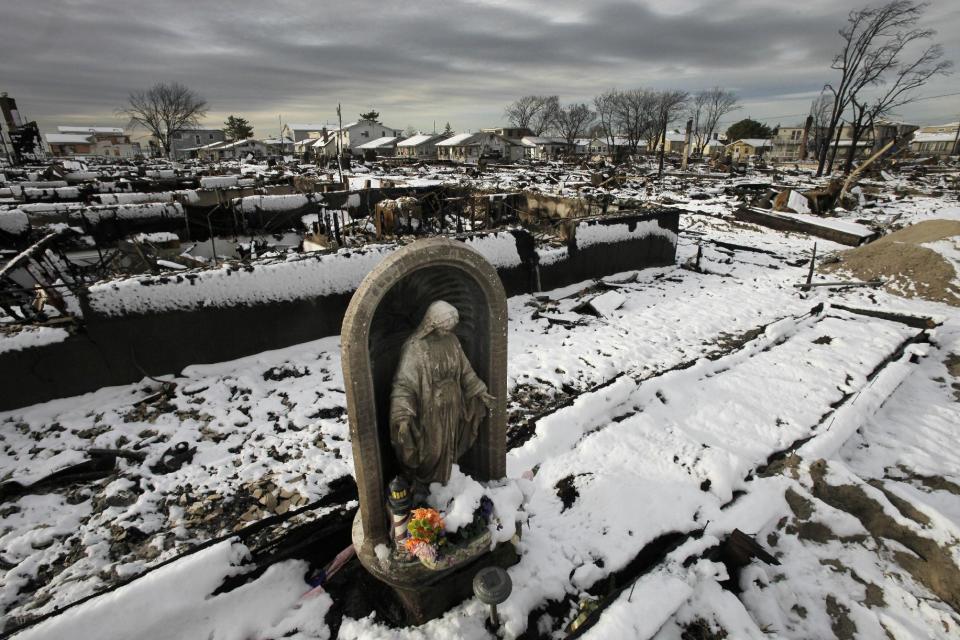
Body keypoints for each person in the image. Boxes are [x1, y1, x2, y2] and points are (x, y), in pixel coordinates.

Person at [390, 300, 495, 490]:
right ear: (433, 323)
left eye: (451, 328)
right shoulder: (416, 347)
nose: (449, 331)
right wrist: (402, 415)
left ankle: (447, 485)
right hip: (430, 409)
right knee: (432, 450)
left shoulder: (452, 341)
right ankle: (426, 486)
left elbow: (465, 371)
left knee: (450, 448)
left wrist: (479, 390)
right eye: (445, 327)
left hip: (453, 404)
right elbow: (404, 384)